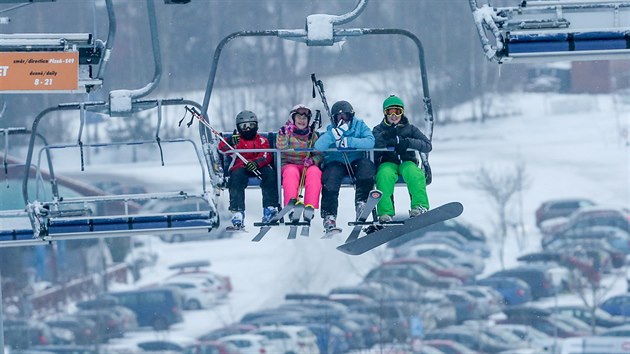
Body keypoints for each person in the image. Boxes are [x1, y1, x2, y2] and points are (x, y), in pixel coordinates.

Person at [314, 100, 376, 231]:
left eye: (346, 116)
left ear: (351, 116)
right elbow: (318, 146)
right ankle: (329, 215)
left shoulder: (359, 125)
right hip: (336, 162)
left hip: (355, 161)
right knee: (331, 176)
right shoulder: (332, 130)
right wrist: (333, 135)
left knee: (366, 167)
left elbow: (370, 141)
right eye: (339, 117)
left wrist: (350, 141)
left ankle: (362, 203)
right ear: (335, 118)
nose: (343, 119)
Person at [372, 95, 432, 223]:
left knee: (415, 174)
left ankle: (419, 206)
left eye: (397, 111)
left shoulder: (410, 129)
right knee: (384, 175)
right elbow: (375, 144)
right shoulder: (379, 129)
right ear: (385, 113)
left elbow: (427, 145)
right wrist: (386, 135)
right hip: (388, 163)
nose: (394, 115)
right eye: (390, 112)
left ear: (402, 112)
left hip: (407, 162)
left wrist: (408, 143)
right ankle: (385, 213)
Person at [219, 110, 279, 229]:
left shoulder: (262, 140)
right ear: (238, 128)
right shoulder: (236, 141)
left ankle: (269, 207)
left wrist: (257, 163)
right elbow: (222, 148)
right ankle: (237, 211)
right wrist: (230, 141)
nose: (247, 129)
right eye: (244, 126)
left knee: (270, 175)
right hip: (240, 166)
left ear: (256, 126)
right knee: (236, 178)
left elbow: (267, 155)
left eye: (250, 125)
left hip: (260, 166)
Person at [276, 104, 323, 219]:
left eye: (304, 119)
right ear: (293, 119)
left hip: (306, 165)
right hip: (289, 164)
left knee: (315, 171)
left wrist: (312, 160)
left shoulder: (312, 136)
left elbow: (319, 155)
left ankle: (309, 206)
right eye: (299, 118)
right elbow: (281, 147)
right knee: (291, 172)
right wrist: (283, 135)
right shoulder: (286, 132)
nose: (301, 121)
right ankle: (291, 205)